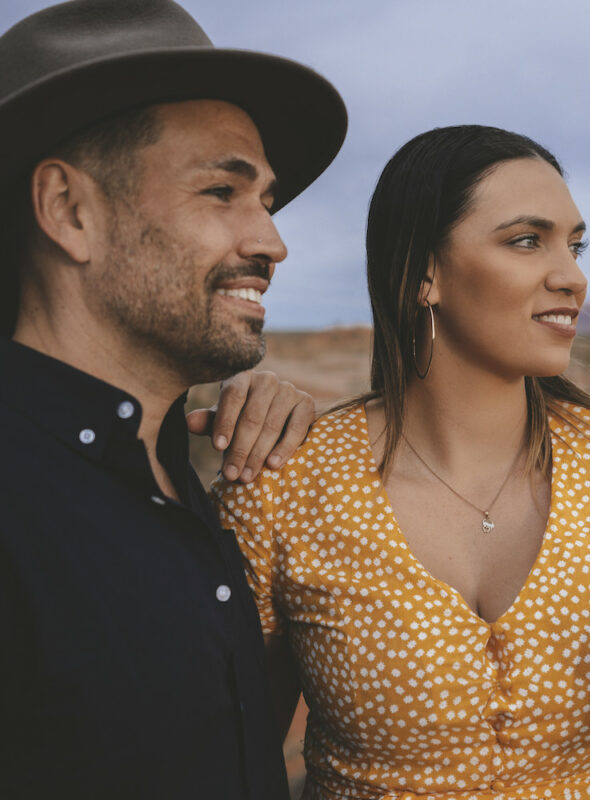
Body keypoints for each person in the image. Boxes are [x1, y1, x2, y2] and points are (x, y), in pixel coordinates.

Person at [214, 125, 590, 799]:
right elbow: (238, 750)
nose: (573, 276)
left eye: (576, 244)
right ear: (424, 274)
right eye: (527, 240)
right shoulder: (287, 478)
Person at [0, 1, 346, 798]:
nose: (272, 242)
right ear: (68, 210)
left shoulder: (176, 473)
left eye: (267, 200)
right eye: (223, 190)